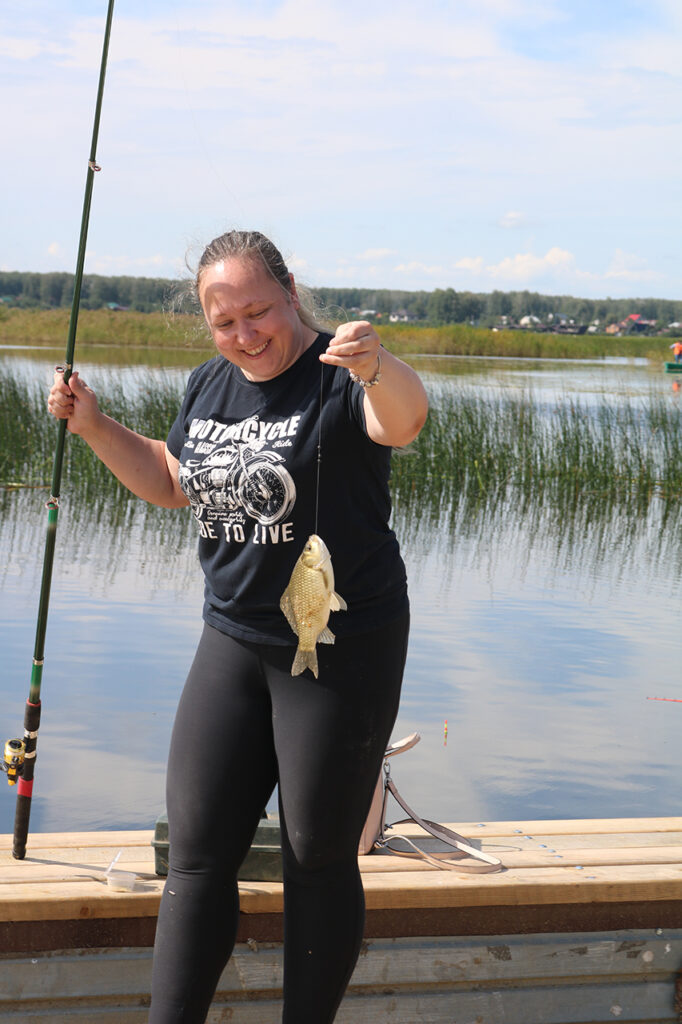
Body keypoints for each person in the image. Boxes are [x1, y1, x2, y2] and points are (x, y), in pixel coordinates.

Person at [47, 230, 428, 1024]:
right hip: (233, 639)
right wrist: (91, 424)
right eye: (225, 322)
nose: (245, 335)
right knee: (194, 858)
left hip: (335, 648)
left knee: (316, 857)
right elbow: (172, 478)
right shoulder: (210, 384)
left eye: (258, 311)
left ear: (291, 289)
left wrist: (378, 367)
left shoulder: (342, 373)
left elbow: (403, 422)